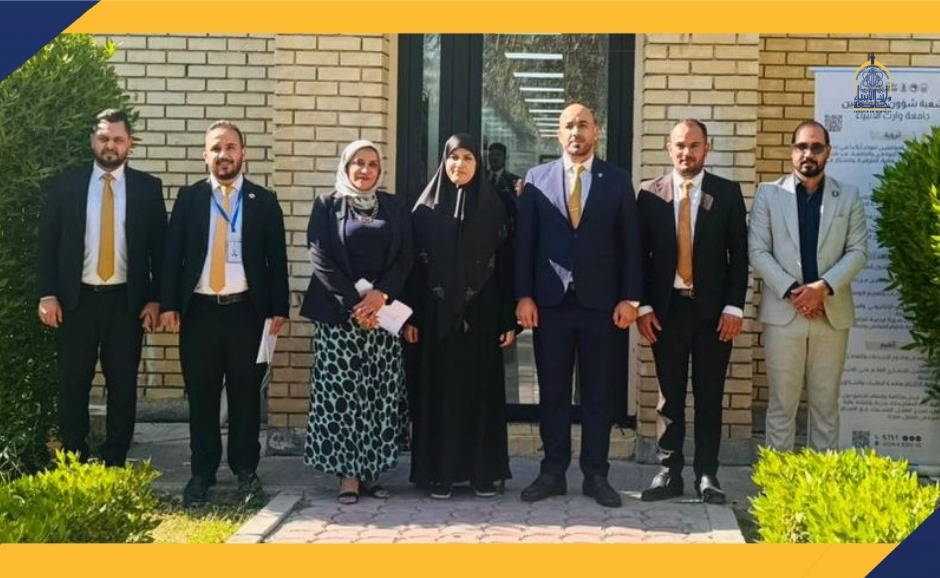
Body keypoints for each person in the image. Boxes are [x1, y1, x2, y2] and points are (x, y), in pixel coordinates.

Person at [515, 103, 642, 508]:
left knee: (598, 394)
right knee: (552, 392)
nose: (576, 132)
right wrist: (523, 295)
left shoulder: (617, 180)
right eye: (568, 125)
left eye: (583, 125)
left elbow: (631, 243)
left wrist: (630, 298)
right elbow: (525, 243)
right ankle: (552, 472)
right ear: (558, 134)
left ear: (596, 132)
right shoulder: (537, 179)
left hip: (601, 305)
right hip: (550, 304)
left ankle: (596, 475)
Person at [160, 120, 289, 506]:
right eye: (216, 148)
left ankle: (246, 470)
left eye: (231, 147)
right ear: (205, 155)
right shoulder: (190, 198)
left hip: (246, 312)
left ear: (243, 153)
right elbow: (172, 255)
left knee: (246, 395)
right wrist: (169, 304)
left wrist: (278, 309)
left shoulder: (263, 200)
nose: (224, 154)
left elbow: (276, 259)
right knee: (201, 395)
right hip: (198, 312)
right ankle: (202, 472)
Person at [37, 108, 167, 467]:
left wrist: (155, 299)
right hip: (75, 301)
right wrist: (47, 294)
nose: (110, 145)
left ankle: (115, 460)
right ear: (92, 141)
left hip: (126, 303)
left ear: (130, 144)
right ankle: (74, 459)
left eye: (118, 139)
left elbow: (160, 249)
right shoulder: (66, 185)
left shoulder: (147, 188)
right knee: (73, 382)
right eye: (104, 138)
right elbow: (47, 243)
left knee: (123, 385)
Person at [636, 119, 749, 504]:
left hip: (713, 314)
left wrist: (734, 307)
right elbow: (639, 256)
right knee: (669, 396)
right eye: (680, 145)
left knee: (709, 395)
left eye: (694, 145)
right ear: (669, 148)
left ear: (707, 148)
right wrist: (643, 306)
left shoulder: (727, 193)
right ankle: (669, 472)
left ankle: (707, 474)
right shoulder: (649, 194)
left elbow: (739, 256)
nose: (687, 152)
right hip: (666, 311)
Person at [404, 133, 516, 499]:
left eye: (468, 158)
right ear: (444, 162)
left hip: (482, 316)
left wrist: (508, 319)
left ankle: (482, 473)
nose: (460, 164)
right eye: (454, 157)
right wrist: (409, 318)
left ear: (477, 164)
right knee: (440, 394)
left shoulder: (495, 208)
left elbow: (506, 268)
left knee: (480, 393)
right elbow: (411, 269)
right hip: (435, 318)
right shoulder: (424, 210)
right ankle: (440, 474)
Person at [300, 140, 412, 504]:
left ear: (380, 170)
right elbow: (320, 257)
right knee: (343, 396)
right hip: (340, 317)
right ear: (346, 167)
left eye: (372, 164)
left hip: (382, 317)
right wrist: (356, 305)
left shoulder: (393, 206)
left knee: (379, 394)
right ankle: (348, 476)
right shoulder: (327, 205)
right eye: (358, 163)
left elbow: (406, 257)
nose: (365, 170)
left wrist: (381, 296)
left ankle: (373, 472)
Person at [749, 120, 869, 452]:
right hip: (783, 314)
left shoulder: (848, 196)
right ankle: (776, 482)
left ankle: (821, 483)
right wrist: (795, 293)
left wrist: (822, 289)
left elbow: (858, 251)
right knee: (781, 406)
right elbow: (757, 251)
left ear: (828, 152)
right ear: (792, 152)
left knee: (826, 408)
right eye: (802, 146)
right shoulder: (769, 194)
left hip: (830, 315)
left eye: (816, 147)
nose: (808, 154)